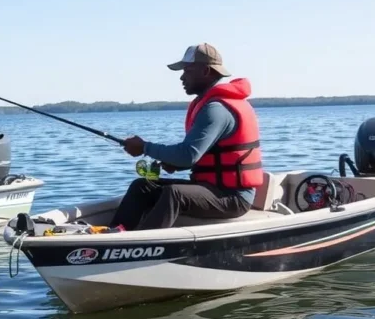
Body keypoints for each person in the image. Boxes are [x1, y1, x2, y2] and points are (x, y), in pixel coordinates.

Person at [109, 43, 264, 230]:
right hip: (210, 188)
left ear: (206, 71)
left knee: (175, 194)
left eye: (188, 71)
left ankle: (142, 243)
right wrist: (175, 164)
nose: (182, 77)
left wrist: (144, 148)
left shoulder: (216, 109)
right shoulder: (211, 105)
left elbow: (188, 155)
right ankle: (115, 233)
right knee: (142, 186)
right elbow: (195, 157)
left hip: (233, 198)